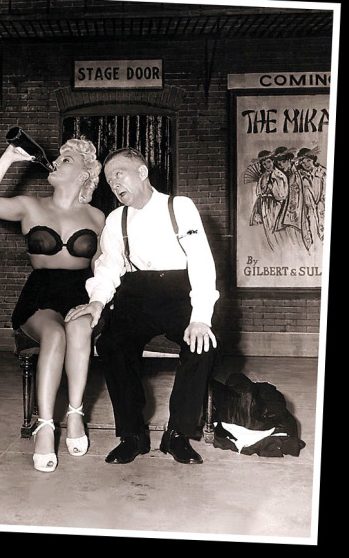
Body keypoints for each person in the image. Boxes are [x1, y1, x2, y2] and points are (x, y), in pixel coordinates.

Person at [65, 147, 220, 465]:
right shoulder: (115, 219)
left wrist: (201, 317)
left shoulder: (180, 207)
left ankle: (177, 434)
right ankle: (133, 435)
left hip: (180, 294)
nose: (114, 183)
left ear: (143, 172)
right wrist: (96, 302)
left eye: (119, 174)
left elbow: (201, 260)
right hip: (136, 296)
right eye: (109, 180)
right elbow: (108, 267)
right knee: (112, 344)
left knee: (201, 346)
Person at [0, 137, 104, 472]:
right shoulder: (29, 206)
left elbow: (104, 267)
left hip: (81, 293)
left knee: (78, 329)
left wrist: (98, 303)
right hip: (40, 295)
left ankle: (75, 415)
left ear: (83, 175)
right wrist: (9, 157)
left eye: (67, 159)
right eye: (58, 156)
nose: (57, 161)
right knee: (56, 336)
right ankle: (45, 425)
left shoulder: (97, 216)